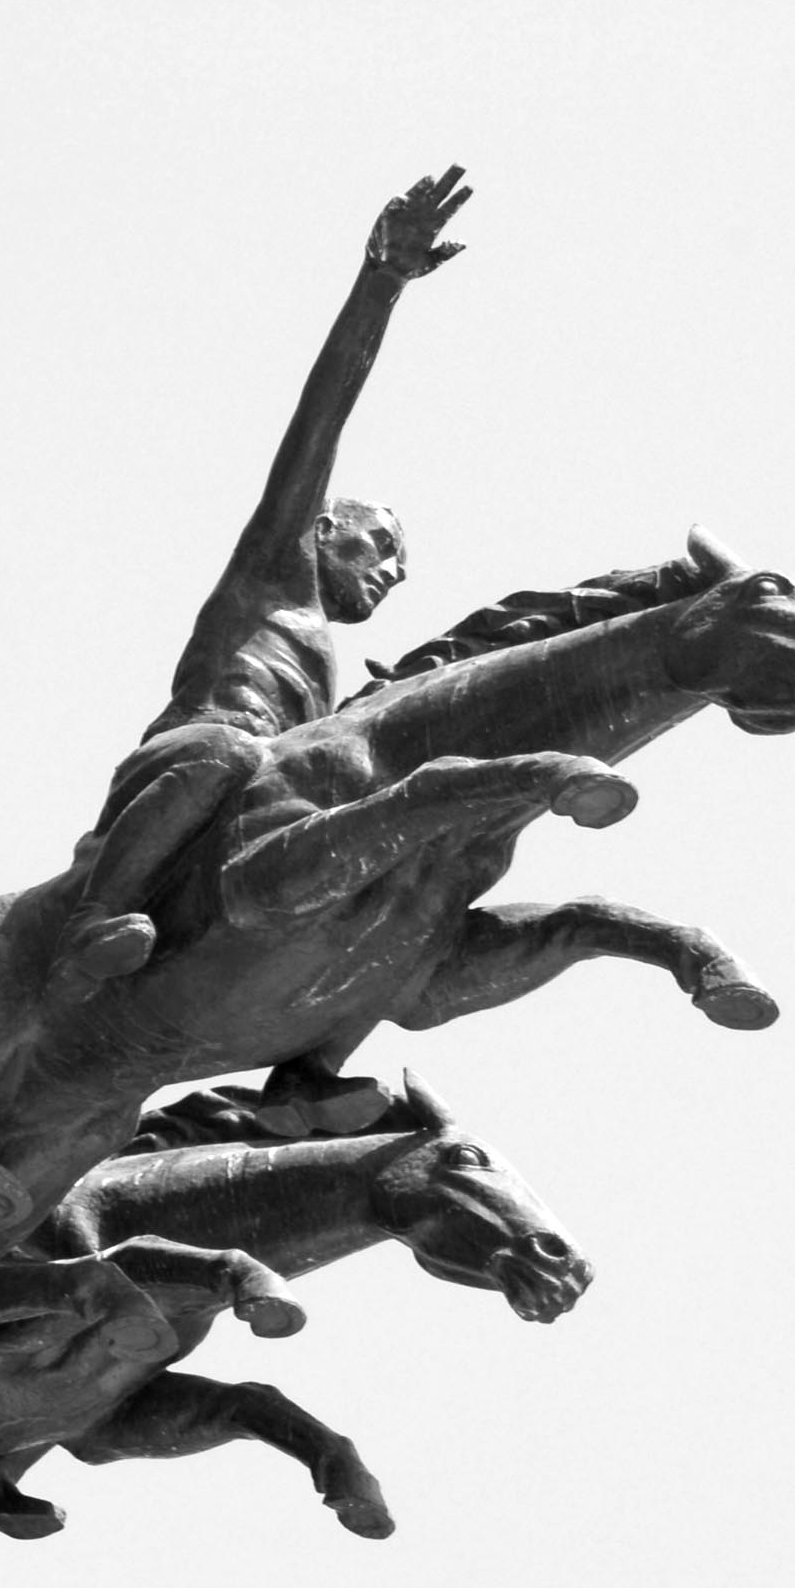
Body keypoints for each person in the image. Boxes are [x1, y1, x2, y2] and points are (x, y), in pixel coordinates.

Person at [57, 166, 471, 988]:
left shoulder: (323, 660)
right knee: (229, 752)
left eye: (400, 568)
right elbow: (323, 415)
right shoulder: (277, 573)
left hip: (261, 795)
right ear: (322, 527)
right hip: (192, 755)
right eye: (380, 545)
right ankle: (93, 917)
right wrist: (382, 281)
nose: (391, 572)